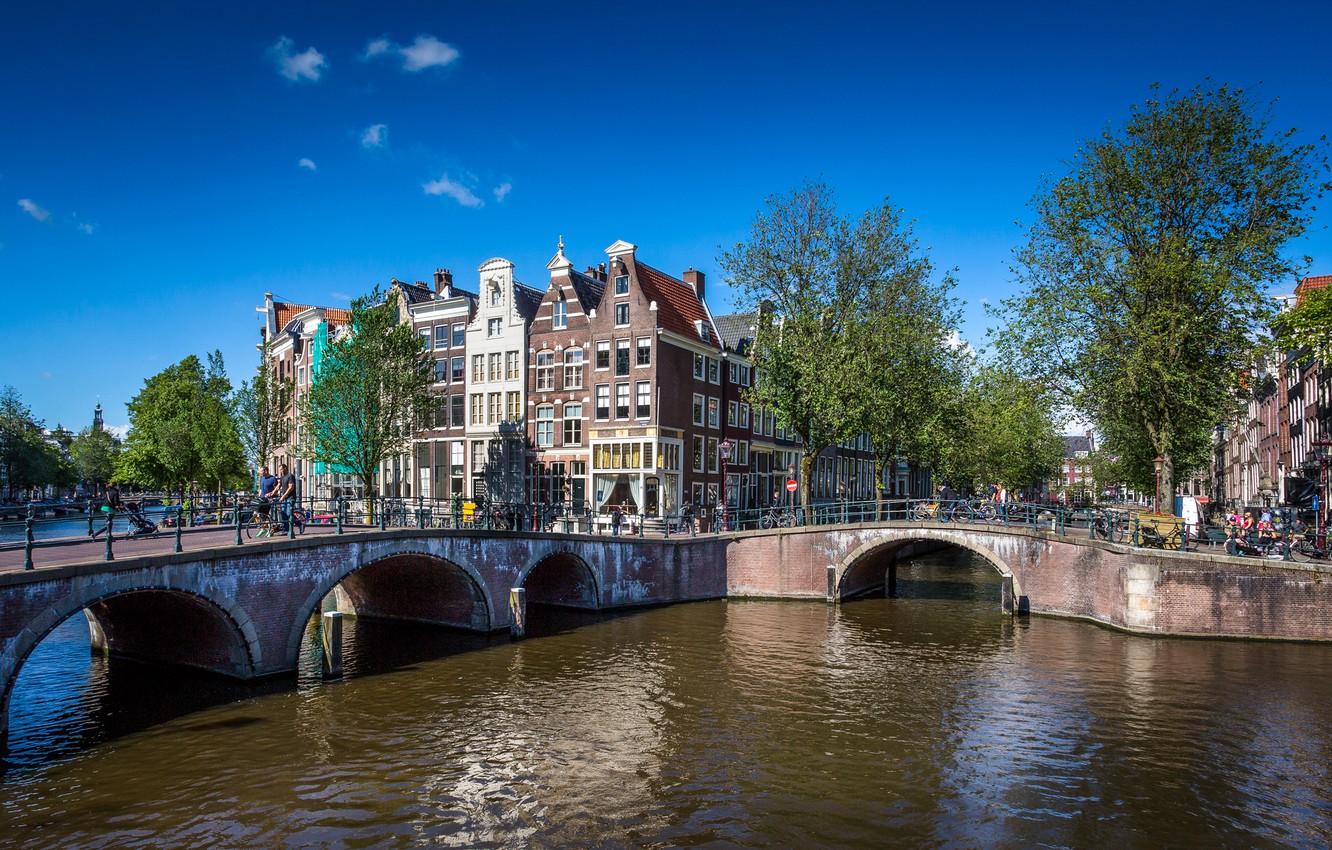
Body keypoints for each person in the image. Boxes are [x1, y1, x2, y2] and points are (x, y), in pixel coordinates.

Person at [275, 463, 297, 530]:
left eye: (281, 469)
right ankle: (286, 530)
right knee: (283, 514)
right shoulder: (282, 477)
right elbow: (278, 486)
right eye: (280, 470)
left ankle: (300, 524)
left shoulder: (290, 476)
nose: (280, 471)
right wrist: (270, 493)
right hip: (285, 498)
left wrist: (283, 496)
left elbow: (291, 487)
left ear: (285, 468)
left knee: (288, 513)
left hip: (290, 498)